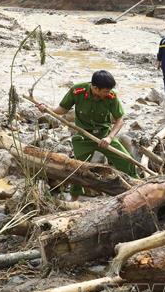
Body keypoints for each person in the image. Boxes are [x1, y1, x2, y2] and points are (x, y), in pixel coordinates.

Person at [36, 70, 138, 198]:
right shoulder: (77, 91)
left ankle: (138, 187)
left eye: (109, 91)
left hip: (104, 136)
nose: (108, 93)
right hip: (83, 137)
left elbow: (120, 120)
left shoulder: (111, 96)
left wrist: (109, 137)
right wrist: (47, 109)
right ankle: (74, 198)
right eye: (105, 91)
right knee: (78, 169)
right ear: (95, 88)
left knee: (126, 160)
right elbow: (62, 110)